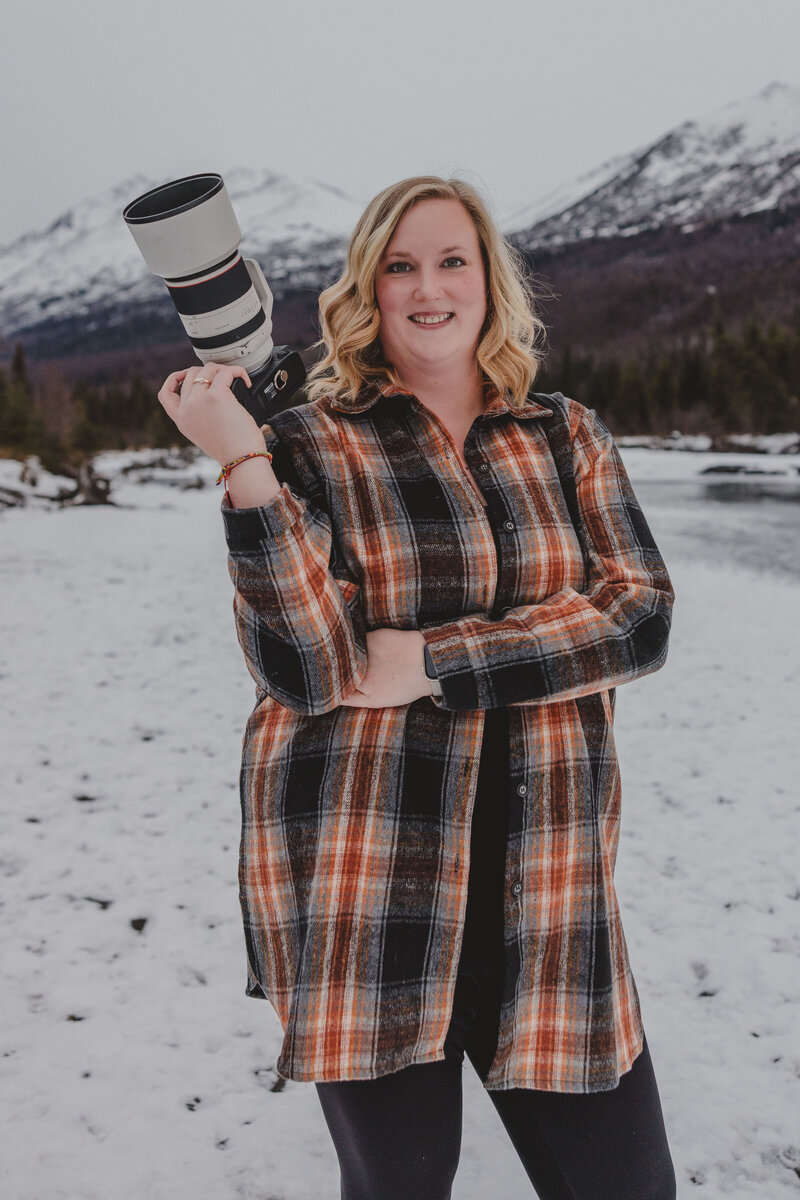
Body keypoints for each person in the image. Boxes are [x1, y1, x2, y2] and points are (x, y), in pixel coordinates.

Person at [157, 175, 677, 1200]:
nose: (426, 287)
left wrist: (436, 659)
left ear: (490, 281)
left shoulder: (562, 435)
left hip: (549, 897)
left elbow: (639, 615)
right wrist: (246, 471)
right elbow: (305, 669)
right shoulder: (310, 438)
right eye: (399, 266)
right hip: (362, 890)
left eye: (451, 261)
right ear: (368, 288)